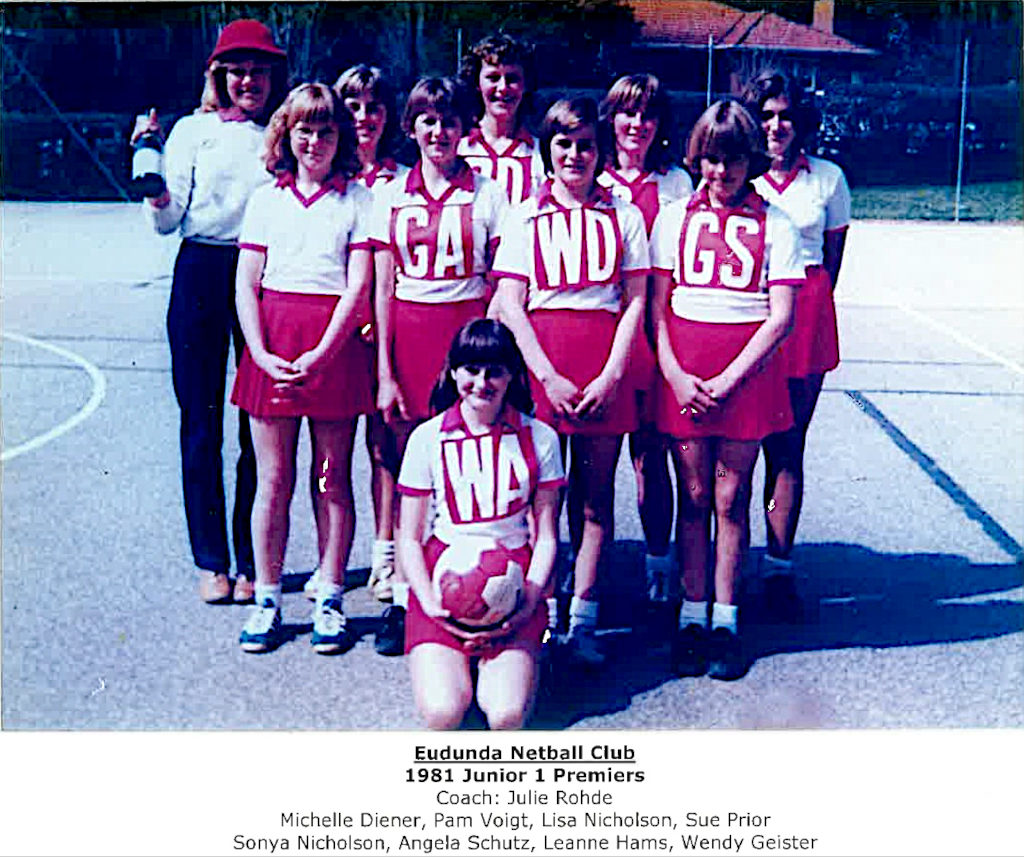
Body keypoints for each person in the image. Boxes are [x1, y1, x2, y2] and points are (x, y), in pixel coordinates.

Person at [491, 97, 649, 667]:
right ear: (547, 149)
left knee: (595, 498)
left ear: (600, 149)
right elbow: (510, 301)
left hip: (603, 360)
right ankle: (539, 611)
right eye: (564, 143)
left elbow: (635, 302)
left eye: (585, 144)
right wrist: (546, 375)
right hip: (543, 363)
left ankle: (583, 614)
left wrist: (611, 373)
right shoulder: (524, 213)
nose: (575, 154)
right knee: (541, 501)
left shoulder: (623, 213)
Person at [134, 19, 288, 605]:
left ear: (275, 74)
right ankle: (211, 559)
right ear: (219, 75)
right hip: (200, 269)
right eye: (238, 70)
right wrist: (155, 195)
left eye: (260, 70)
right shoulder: (191, 132)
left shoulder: (283, 129)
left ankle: (251, 558)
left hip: (266, 277)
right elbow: (168, 220)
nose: (250, 80)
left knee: (259, 427)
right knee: (200, 423)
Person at [649, 100, 804, 680]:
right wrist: (676, 373)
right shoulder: (672, 217)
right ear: (696, 158)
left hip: (745, 377)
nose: (721, 173)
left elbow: (781, 315)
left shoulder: (777, 222)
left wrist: (731, 378)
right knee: (692, 497)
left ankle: (725, 621)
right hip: (686, 372)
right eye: (711, 160)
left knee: (730, 498)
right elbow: (658, 311)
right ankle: (690, 616)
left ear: (751, 161)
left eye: (734, 161)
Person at [230, 82, 374, 653]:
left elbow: (358, 284)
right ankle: (268, 599)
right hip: (273, 339)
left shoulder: (358, 199)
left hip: (332, 347)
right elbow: (246, 281)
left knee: (331, 476)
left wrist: (324, 352)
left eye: (326, 130)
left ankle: (330, 596)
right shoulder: (266, 198)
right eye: (304, 130)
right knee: (275, 478)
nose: (315, 141)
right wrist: (259, 351)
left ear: (341, 138)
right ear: (286, 136)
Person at [368, 77, 508, 657]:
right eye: (427, 120)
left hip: (465, 335)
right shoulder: (390, 193)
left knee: (464, 461)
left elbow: (502, 278)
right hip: (409, 332)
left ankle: (473, 583)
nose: (438, 131)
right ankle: (404, 596)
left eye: (449, 120)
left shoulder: (489, 191)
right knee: (410, 470)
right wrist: (384, 370)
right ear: (411, 127)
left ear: (462, 127)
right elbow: (381, 287)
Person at [293, 65, 410, 657]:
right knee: (329, 460)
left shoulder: (401, 180)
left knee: (384, 447)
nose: (364, 115)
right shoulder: (325, 175)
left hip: (382, 331)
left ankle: (386, 556)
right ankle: (331, 565)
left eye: (374, 105)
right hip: (335, 332)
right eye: (354, 105)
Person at [398, 319, 564, 729]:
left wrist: (528, 601)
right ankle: (454, 659)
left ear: (512, 375)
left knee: (505, 715)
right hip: (444, 580)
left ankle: (516, 658)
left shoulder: (541, 438)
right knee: (443, 712)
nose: (482, 382)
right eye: (471, 369)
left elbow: (546, 536)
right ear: (453, 371)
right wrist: (431, 605)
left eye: (495, 371)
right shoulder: (427, 437)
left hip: (513, 582)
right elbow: (408, 536)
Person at [744, 71, 851, 621]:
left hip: (803, 316)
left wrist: (799, 309)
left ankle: (779, 568)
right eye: (765, 115)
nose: (775, 125)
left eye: (784, 115)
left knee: (786, 447)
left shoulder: (828, 179)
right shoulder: (738, 176)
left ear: (800, 121)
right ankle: (725, 562)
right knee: (735, 450)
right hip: (743, 312)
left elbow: (831, 264)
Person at [598, 73, 694, 607]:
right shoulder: (589, 172)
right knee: (590, 459)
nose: (636, 124)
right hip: (600, 336)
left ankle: (660, 559)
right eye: (626, 112)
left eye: (647, 114)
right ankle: (587, 565)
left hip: (655, 338)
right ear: (610, 117)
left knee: (651, 457)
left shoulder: (677, 183)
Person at [457, 33, 544, 205]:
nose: (503, 88)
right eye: (493, 78)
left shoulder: (541, 153)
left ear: (526, 85)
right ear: (477, 83)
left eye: (512, 79)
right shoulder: (457, 148)